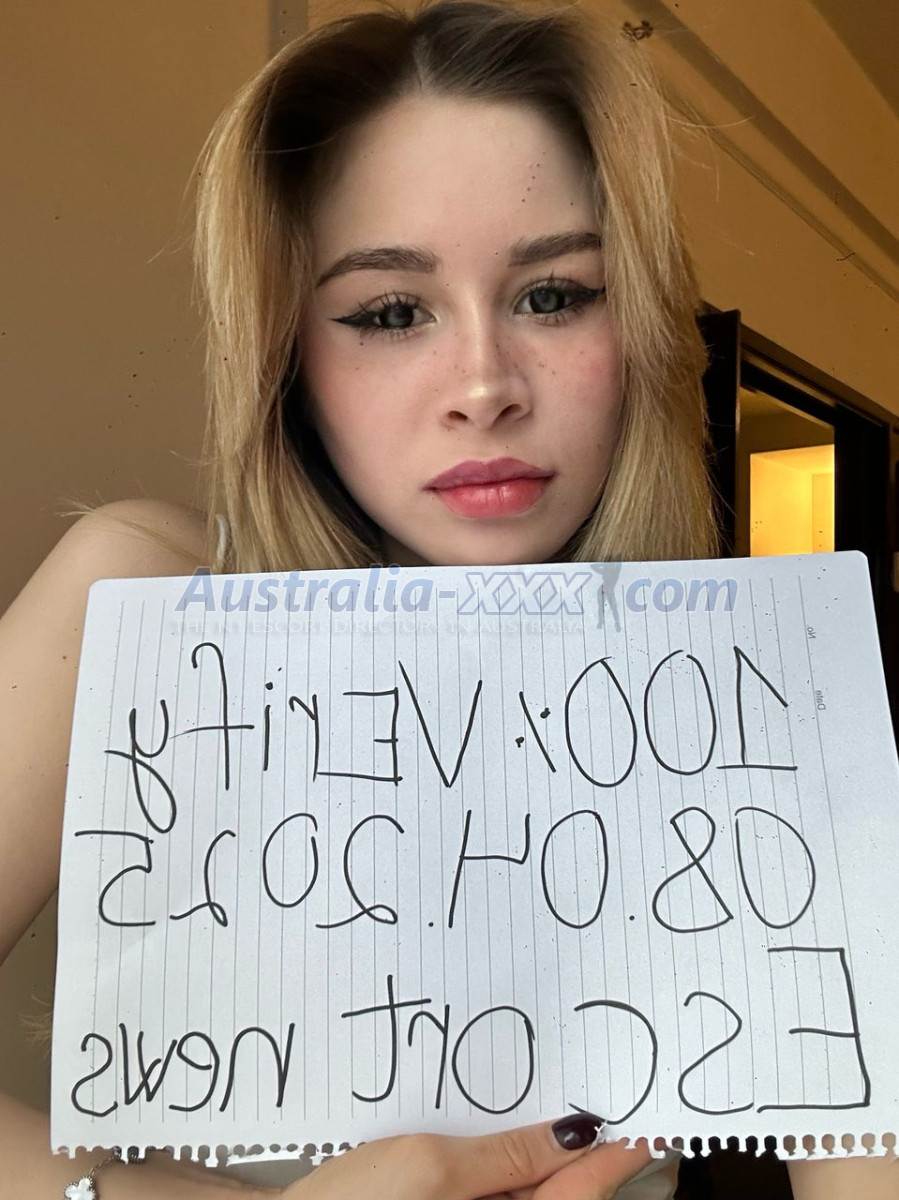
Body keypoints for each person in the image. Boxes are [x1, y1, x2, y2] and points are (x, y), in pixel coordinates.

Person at [2, 0, 896, 1196]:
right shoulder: (136, 594)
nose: (483, 385)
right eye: (389, 312)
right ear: (287, 356)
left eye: (552, 295)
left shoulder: (762, 691)